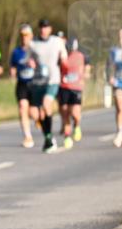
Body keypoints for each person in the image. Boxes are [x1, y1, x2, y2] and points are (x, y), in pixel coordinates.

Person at [27, 19, 68, 154]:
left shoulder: (57, 41)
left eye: (46, 27)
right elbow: (29, 59)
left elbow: (64, 57)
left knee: (46, 104)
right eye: (42, 27)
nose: (44, 30)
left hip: (53, 79)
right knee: (36, 113)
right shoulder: (33, 44)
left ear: (50, 29)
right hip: (38, 81)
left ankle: (49, 136)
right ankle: (48, 137)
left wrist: (63, 61)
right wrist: (30, 62)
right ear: (39, 29)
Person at [57, 37, 90, 149]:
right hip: (64, 87)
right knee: (65, 113)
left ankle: (77, 125)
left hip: (76, 88)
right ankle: (67, 137)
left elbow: (87, 67)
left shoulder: (81, 56)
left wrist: (86, 74)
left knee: (75, 113)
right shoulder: (61, 56)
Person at [9, 24, 36, 148]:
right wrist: (13, 72)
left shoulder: (36, 50)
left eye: (26, 35)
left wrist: (35, 65)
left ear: (31, 36)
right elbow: (13, 65)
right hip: (22, 83)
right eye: (22, 35)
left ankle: (38, 120)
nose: (24, 38)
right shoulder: (16, 52)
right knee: (22, 107)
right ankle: (27, 136)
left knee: (34, 113)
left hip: (35, 83)